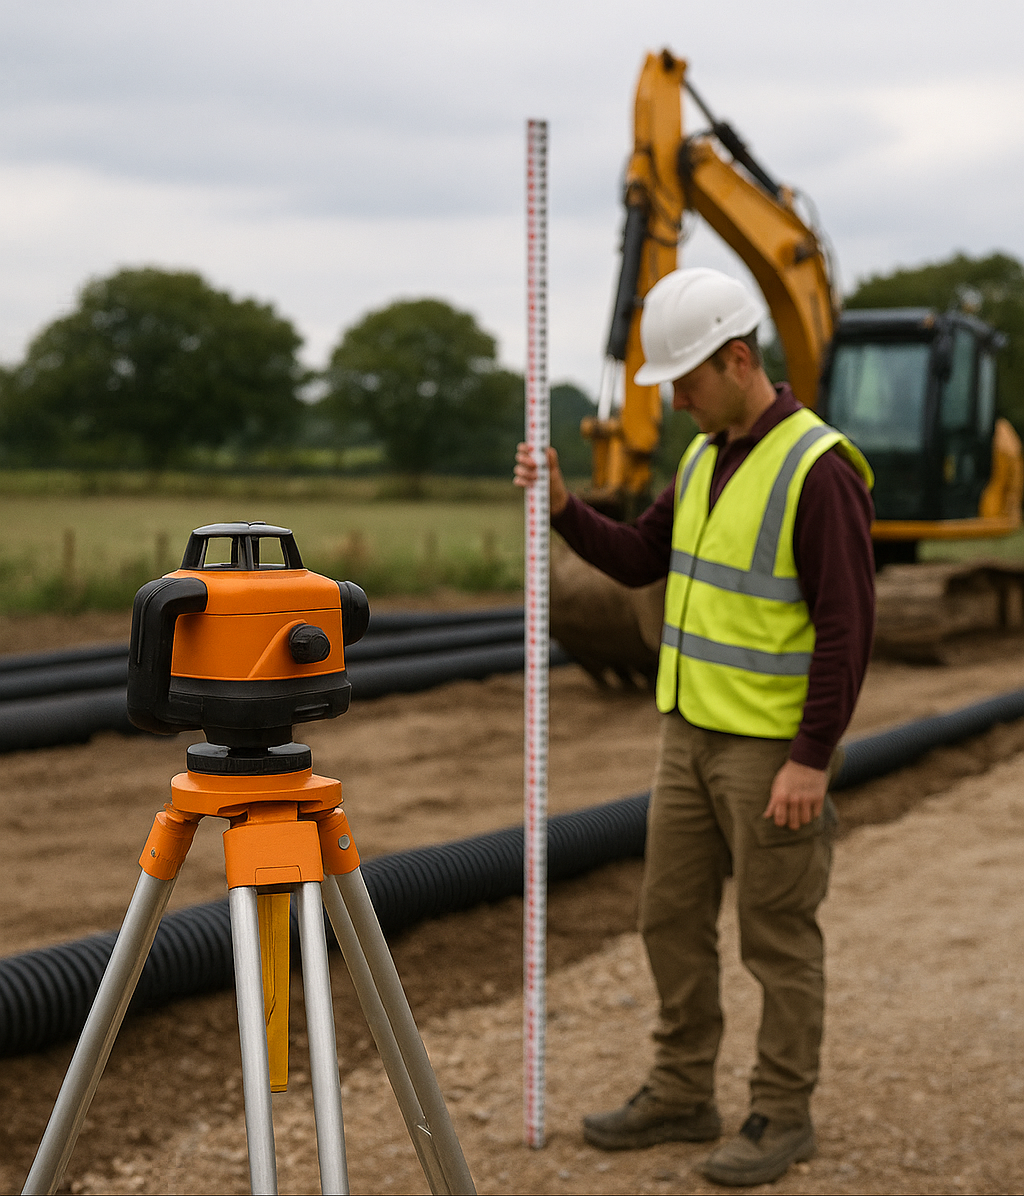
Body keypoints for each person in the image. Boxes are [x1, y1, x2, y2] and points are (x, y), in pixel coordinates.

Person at [513, 267, 875, 1187]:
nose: (675, 400)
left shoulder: (818, 470)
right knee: (667, 917)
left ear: (739, 359)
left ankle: (782, 1114)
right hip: (687, 739)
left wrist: (810, 761)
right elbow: (639, 558)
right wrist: (562, 506)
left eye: (685, 380)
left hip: (770, 756)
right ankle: (681, 1092)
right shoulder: (706, 456)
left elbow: (846, 631)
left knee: (776, 935)